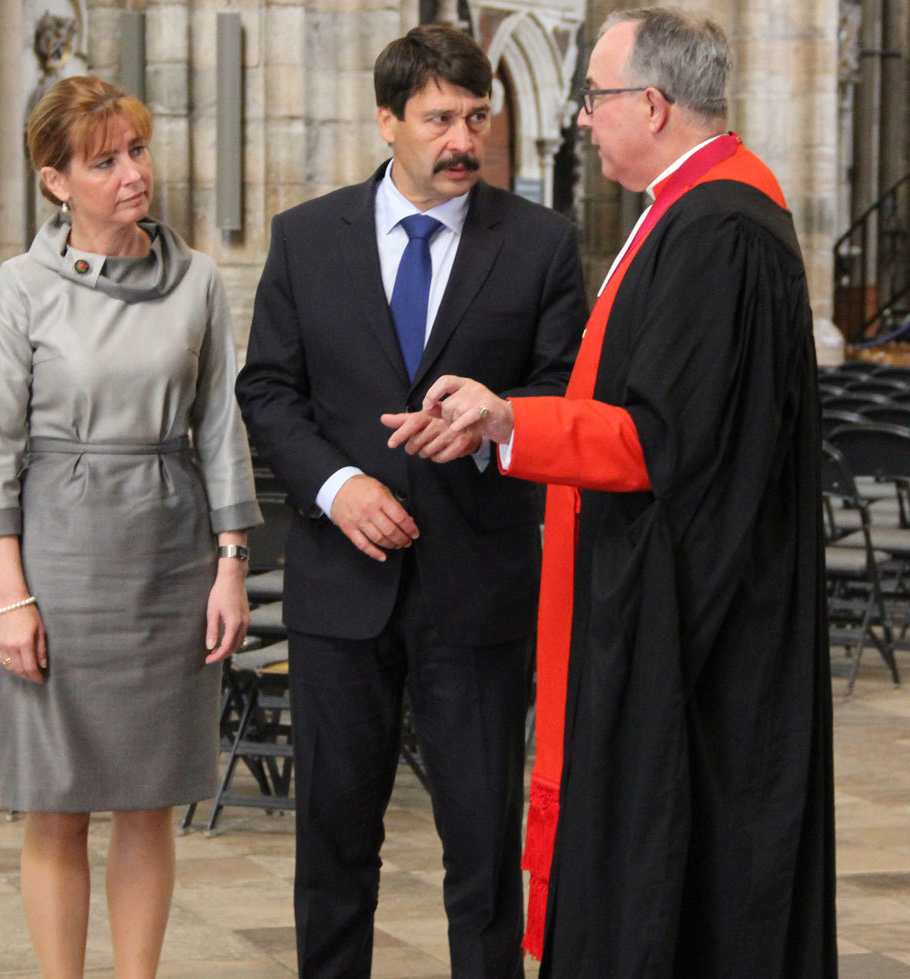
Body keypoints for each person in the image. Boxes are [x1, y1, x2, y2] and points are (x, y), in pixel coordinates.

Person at [398, 8, 837, 976]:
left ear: (653, 103)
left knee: (671, 867)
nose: (584, 119)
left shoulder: (718, 228)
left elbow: (660, 438)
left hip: (690, 626)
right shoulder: (691, 211)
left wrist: (511, 420)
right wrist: (508, 423)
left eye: (595, 98)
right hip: (676, 600)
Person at [236, 24, 586, 979]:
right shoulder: (307, 238)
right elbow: (267, 391)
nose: (462, 139)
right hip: (340, 585)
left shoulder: (542, 244)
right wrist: (338, 485)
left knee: (483, 853)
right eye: (439, 119)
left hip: (477, 586)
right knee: (334, 847)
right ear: (387, 119)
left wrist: (497, 424)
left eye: (477, 116)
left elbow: (567, 390)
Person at [0, 76, 260, 979]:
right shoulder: (21, 287)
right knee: (56, 803)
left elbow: (220, 428)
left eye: (137, 150)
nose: (133, 172)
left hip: (170, 559)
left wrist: (231, 564)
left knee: (148, 800)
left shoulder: (197, 279)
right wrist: (9, 597)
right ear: (56, 181)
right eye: (105, 161)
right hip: (58, 561)